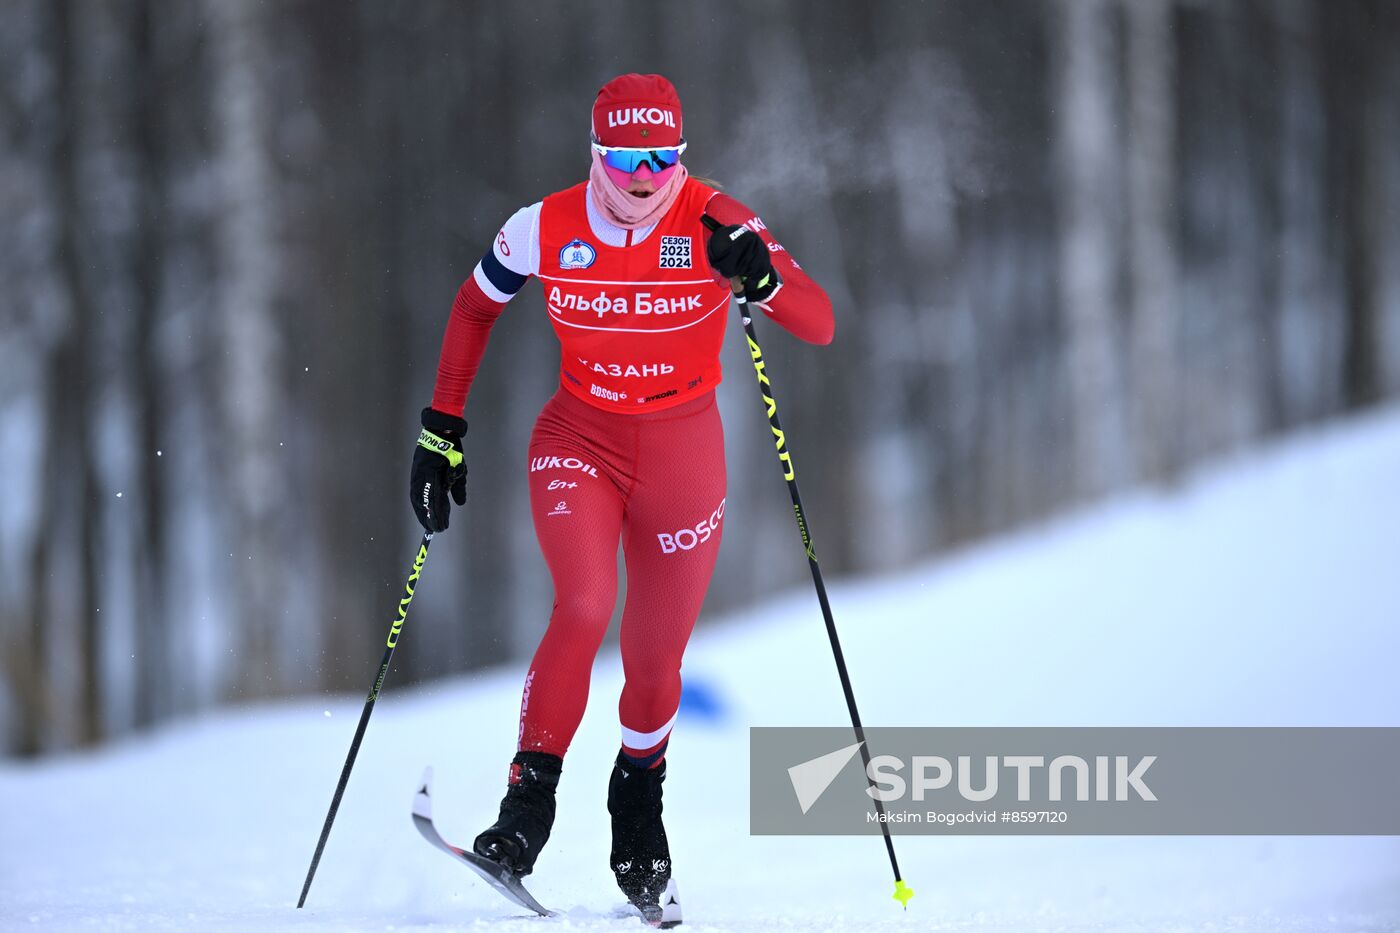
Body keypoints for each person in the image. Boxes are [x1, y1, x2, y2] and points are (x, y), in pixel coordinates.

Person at [409, 73, 833, 917]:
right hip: (579, 440)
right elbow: (472, 304)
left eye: (663, 155)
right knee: (584, 601)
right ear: (596, 155)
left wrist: (762, 276)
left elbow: (819, 320)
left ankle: (637, 816)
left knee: (654, 662)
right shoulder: (546, 225)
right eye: (626, 156)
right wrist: (440, 426)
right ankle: (523, 814)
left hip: (684, 461)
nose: (645, 176)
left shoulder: (715, 220)